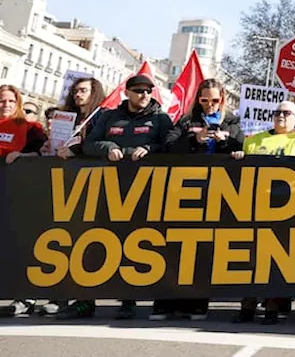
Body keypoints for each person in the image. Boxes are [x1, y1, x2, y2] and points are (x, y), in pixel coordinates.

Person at [82, 72, 173, 320]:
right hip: (107, 189)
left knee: (137, 245)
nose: (144, 95)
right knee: (95, 241)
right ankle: (84, 300)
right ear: (127, 92)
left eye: (148, 91)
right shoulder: (109, 116)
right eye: (138, 91)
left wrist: (148, 149)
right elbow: (88, 144)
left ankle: (128, 300)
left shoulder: (161, 119)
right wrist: (108, 147)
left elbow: (171, 147)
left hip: (145, 191)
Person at [155, 79, 243, 322]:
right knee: (174, 246)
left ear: (222, 99)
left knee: (204, 249)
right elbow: (168, 146)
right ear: (198, 99)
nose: (210, 105)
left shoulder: (231, 121)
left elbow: (240, 147)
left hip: (217, 190)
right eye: (205, 100)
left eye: (215, 100)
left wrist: (224, 141)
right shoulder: (186, 120)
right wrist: (194, 139)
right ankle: (166, 302)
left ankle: (197, 303)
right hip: (183, 187)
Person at [231, 101, 295, 324]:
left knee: (278, 260)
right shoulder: (254, 140)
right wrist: (239, 158)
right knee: (252, 258)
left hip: (288, 209)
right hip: (255, 206)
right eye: (277, 112)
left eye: (286, 113)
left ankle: (272, 307)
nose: (280, 116)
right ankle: (247, 306)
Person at [50, 76, 106, 321]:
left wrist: (76, 150)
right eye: (75, 91)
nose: (77, 95)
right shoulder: (66, 118)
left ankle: (85, 300)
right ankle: (60, 296)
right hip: (63, 185)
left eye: (83, 90)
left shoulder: (102, 117)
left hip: (91, 185)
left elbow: (98, 145)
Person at [0, 85, 49, 318]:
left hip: (18, 195)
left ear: (18, 103)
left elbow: (44, 153)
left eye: (11, 101)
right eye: (2, 101)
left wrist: (23, 155)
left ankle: (25, 297)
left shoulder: (30, 128)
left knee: (19, 246)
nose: (6, 105)